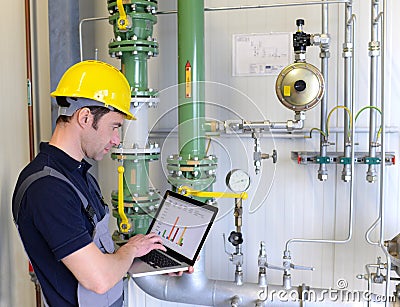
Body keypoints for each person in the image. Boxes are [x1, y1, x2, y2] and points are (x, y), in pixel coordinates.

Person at [12, 60, 192, 307]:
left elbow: (98, 254)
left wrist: (149, 259)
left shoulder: (78, 175)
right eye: (114, 127)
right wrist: (130, 250)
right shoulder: (47, 188)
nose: (117, 140)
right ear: (85, 117)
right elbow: (97, 279)